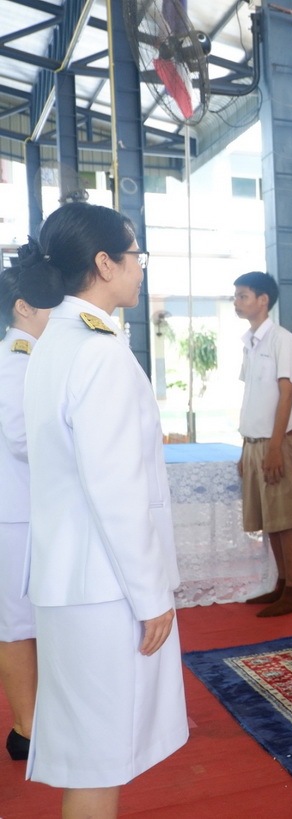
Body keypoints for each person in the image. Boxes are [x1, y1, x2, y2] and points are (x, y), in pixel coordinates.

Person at [15, 202, 187, 816]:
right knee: (99, 758)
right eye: (136, 255)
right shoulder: (98, 351)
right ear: (105, 263)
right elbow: (116, 490)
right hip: (103, 585)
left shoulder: (56, 341)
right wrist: (151, 594)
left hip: (71, 578)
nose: (141, 267)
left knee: (92, 755)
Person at [233, 271, 292, 617]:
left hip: (277, 442)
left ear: (263, 300)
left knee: (286, 517)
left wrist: (275, 447)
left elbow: (286, 394)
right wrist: (245, 448)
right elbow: (252, 398)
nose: (237, 302)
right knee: (270, 518)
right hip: (255, 443)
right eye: (236, 296)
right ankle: (281, 584)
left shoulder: (282, 340)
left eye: (243, 296)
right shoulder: (250, 342)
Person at [0, 265, 49, 762]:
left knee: (28, 620)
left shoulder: (29, 355)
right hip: (13, 514)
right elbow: (21, 439)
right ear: (23, 306)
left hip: (25, 510)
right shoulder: (17, 359)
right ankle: (25, 729)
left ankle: (35, 721)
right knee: (15, 624)